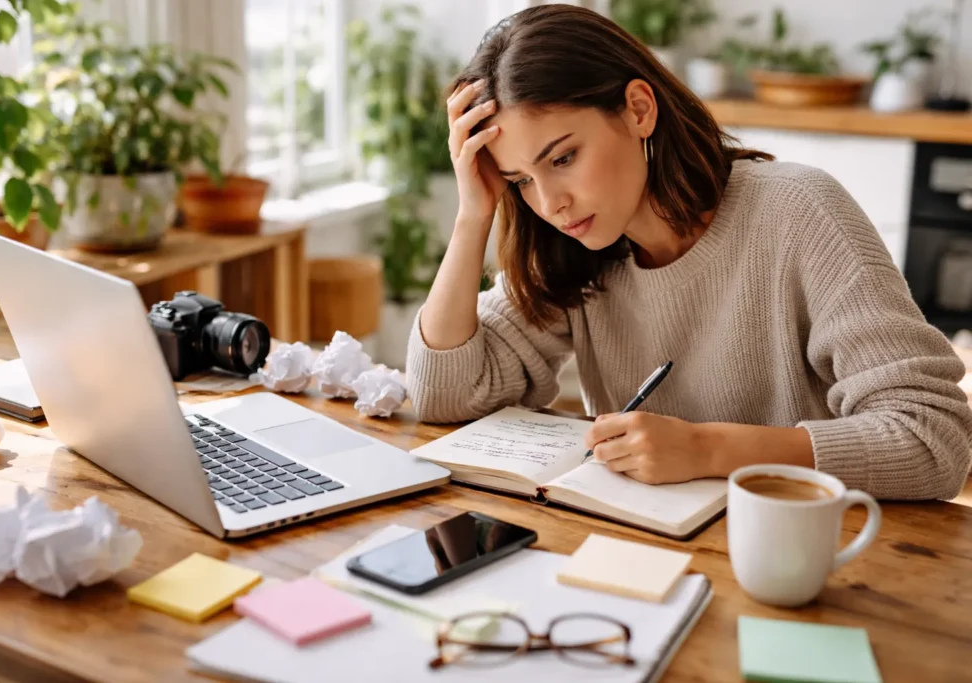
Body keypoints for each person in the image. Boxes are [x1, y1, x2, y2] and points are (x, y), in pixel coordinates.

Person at [405, 5, 972, 501]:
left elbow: (933, 438)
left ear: (638, 109)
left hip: (809, 557)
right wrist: (472, 216)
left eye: (562, 158)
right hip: (650, 552)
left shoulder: (799, 211)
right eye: (520, 180)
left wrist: (706, 448)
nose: (550, 202)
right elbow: (443, 395)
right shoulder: (574, 247)